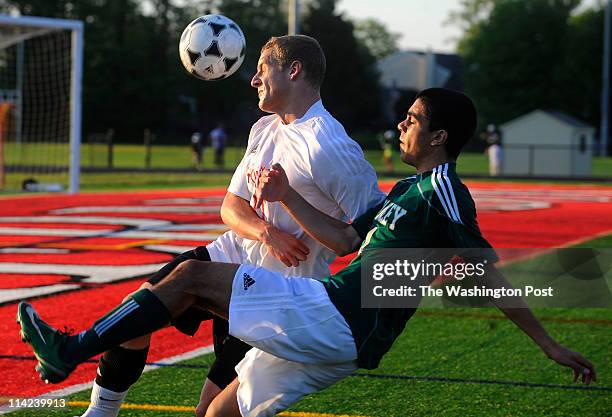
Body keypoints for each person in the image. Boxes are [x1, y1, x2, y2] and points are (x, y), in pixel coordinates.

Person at [18, 88, 596, 417]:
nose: (402, 123)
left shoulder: (444, 189)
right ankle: (78, 356)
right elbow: (346, 240)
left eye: (414, 119)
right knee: (218, 416)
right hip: (339, 338)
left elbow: (486, 273)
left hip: (335, 318)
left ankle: (72, 349)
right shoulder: (406, 193)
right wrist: (288, 197)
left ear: (439, 138)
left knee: (192, 275)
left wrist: (549, 343)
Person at [69, 34, 384, 417]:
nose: (253, 79)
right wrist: (268, 232)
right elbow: (230, 207)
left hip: (274, 290)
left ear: (294, 70)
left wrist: (288, 202)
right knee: (140, 306)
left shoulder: (329, 145)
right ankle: (99, 411)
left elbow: (362, 235)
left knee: (210, 413)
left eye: (262, 68)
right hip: (229, 256)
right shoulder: (264, 128)